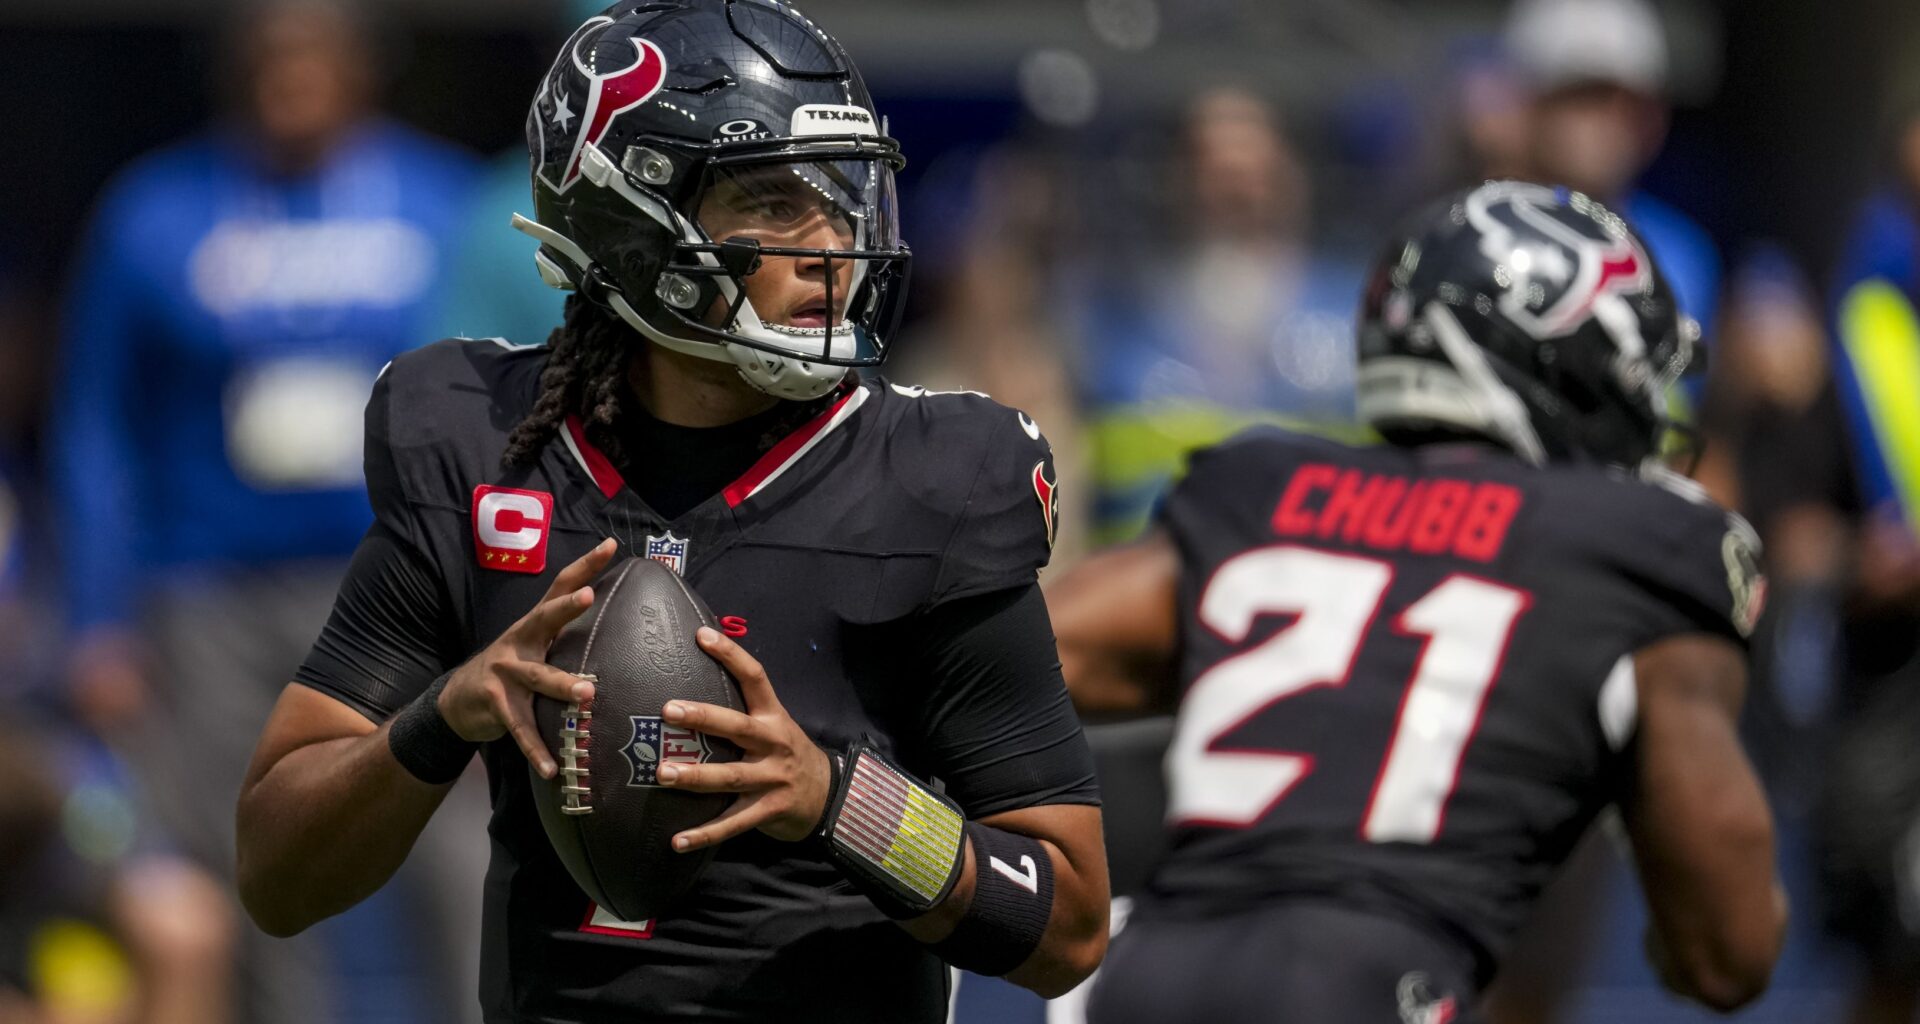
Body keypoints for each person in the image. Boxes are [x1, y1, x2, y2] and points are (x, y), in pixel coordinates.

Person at [234, 3, 1109, 1021]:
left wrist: (843, 800)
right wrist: (444, 717)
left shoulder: (932, 478)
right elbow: (273, 869)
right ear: (626, 219)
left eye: (842, 197)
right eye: (774, 202)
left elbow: (1069, 925)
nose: (829, 243)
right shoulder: (485, 450)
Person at [1050, 181, 1786, 1022]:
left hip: (1157, 971)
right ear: (1565, 365)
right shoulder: (1635, 547)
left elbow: (1021, 654)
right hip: (1374, 977)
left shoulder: (1271, 491)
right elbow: (1731, 954)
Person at [49, 3, 481, 1020]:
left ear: (364, 65)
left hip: (402, 580)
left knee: (453, 843)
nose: (293, 76)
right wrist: (96, 614)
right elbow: (97, 422)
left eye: (314, 54)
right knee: (244, 850)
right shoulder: (154, 211)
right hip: (212, 594)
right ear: (234, 68)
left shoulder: (443, 204)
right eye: (271, 56)